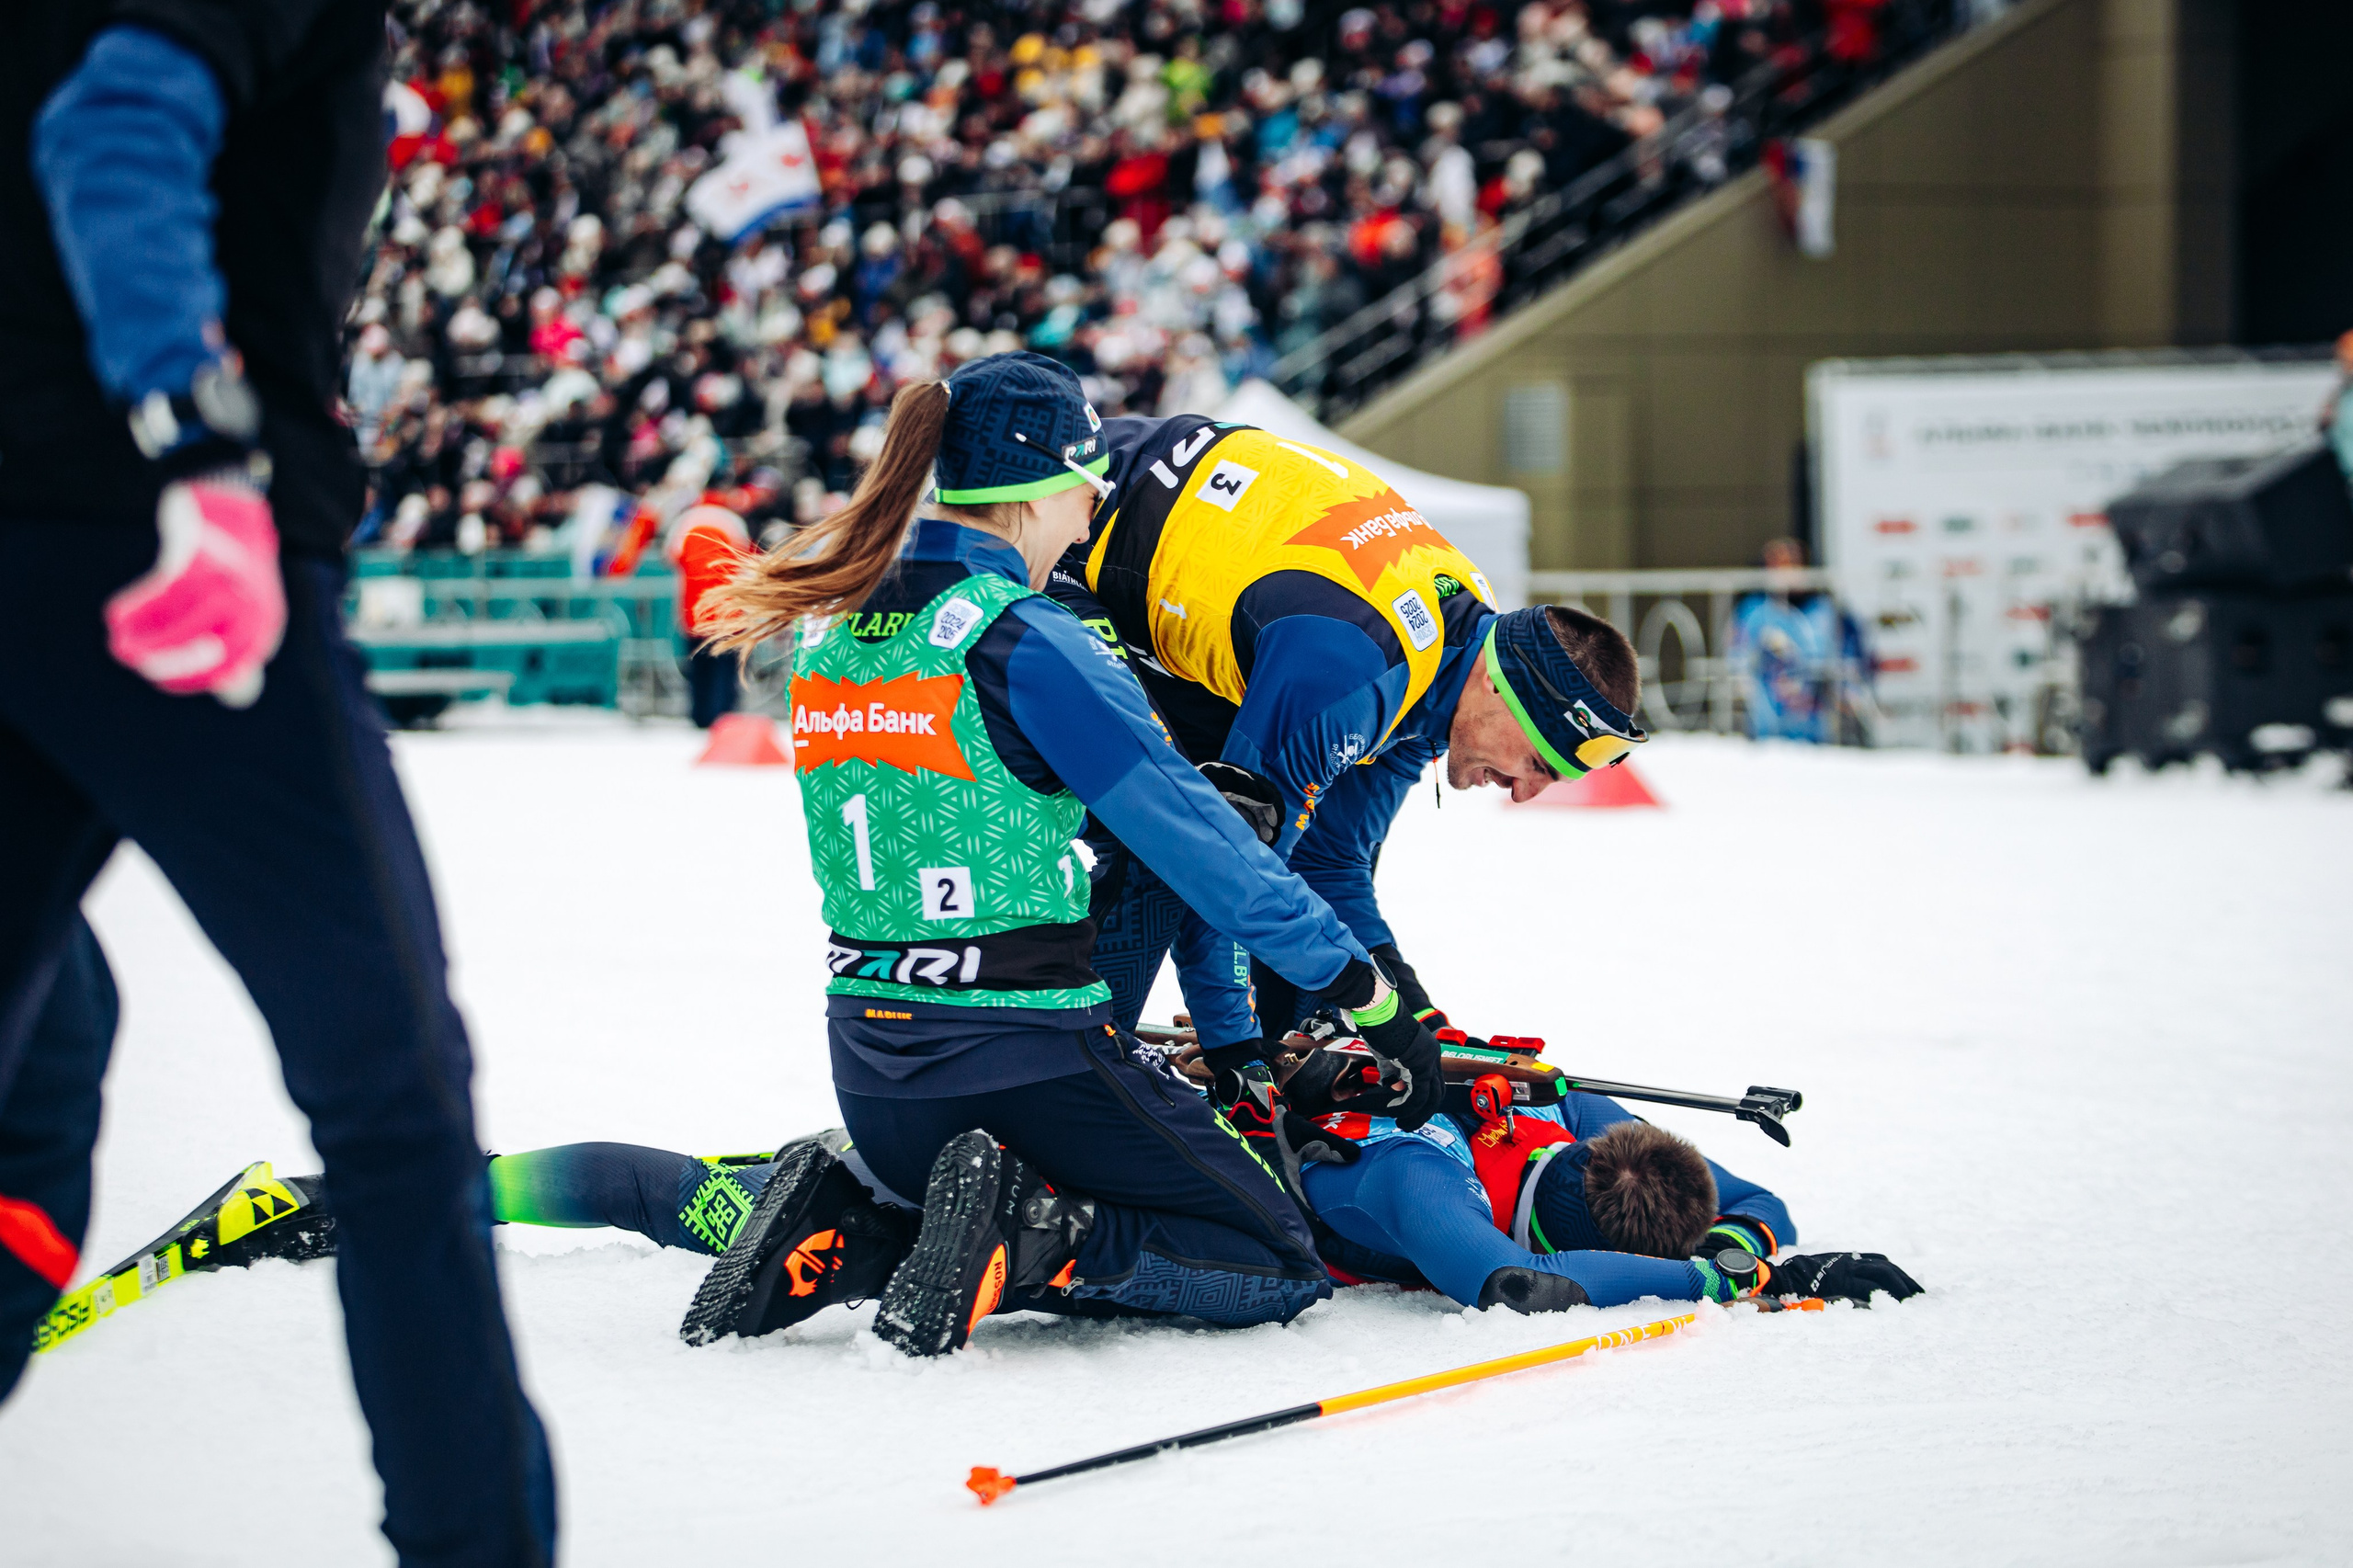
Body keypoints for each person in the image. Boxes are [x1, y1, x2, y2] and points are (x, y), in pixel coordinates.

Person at [0, 8, 555, 1563]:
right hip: (159, 560)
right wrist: (201, 451)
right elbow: (111, 129)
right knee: (393, 1097)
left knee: (40, 1090)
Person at [686, 352, 1451, 1358]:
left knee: (993, 1191)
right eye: (1087, 493)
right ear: (1039, 487)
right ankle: (1041, 1235)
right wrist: (1357, 982)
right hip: (1020, 1066)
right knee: (1276, 1254)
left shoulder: (835, 632)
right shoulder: (1024, 638)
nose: (1091, 519)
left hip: (870, 1082)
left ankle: (858, 1226)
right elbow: (1205, 850)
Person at [1040, 410, 1653, 1074]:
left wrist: (1413, 1018)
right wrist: (1239, 1054)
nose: (1526, 792)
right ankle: (1068, 1074)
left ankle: (1165, 1048)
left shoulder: (1457, 657)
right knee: (1166, 844)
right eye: (1537, 764)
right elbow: (1223, 870)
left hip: (1172, 546)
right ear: (1503, 690)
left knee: (1251, 838)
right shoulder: (1357, 673)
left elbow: (1330, 862)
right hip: (1068, 529)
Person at [665, 498, 753, 728]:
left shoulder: (685, 522)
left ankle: (700, 718)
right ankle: (725, 719)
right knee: (725, 672)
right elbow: (747, 560)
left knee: (699, 671)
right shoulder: (732, 522)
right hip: (729, 612)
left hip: (695, 612)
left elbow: (671, 558)